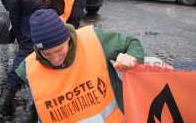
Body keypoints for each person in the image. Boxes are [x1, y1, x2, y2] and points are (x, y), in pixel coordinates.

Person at [15, 9, 144, 122]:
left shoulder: (94, 40)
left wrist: (132, 60)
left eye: (59, 50)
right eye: (46, 54)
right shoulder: (28, 69)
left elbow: (130, 43)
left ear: (68, 39)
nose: (55, 60)